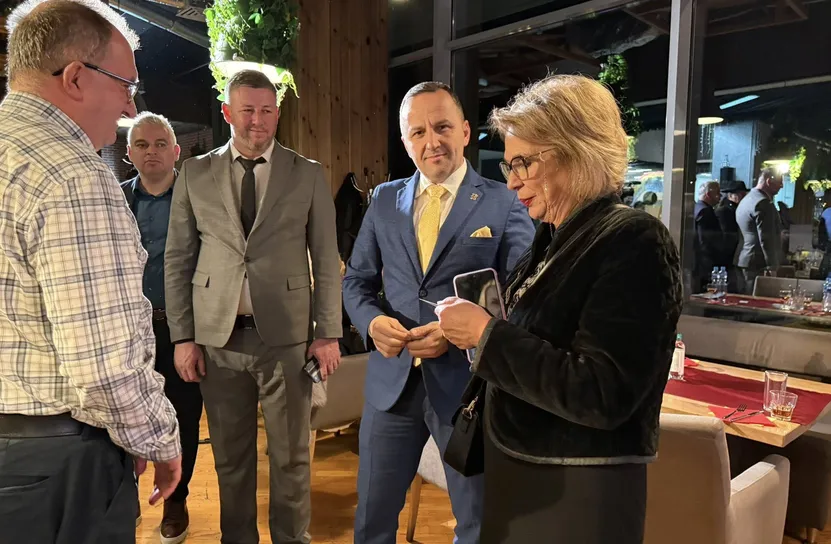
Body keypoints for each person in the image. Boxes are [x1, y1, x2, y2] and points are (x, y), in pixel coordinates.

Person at [434, 74, 683, 544]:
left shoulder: (634, 240)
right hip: (527, 474)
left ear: (577, 152)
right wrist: (481, 330)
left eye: (524, 163)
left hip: (577, 492)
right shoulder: (553, 238)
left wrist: (487, 335)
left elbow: (603, 392)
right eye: (509, 165)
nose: (512, 182)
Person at [0, 0, 182, 542]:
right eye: (126, 85)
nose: (129, 106)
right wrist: (158, 440)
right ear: (76, 77)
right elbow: (104, 366)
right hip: (52, 463)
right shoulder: (73, 174)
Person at [343, 81, 535, 544]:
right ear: (405, 141)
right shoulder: (383, 200)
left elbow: (524, 296)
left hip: (467, 390)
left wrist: (455, 333)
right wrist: (371, 322)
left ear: (465, 131)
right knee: (371, 522)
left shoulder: (504, 201)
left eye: (442, 127)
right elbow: (357, 282)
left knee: (477, 524)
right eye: (418, 132)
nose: (432, 141)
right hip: (391, 387)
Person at [164, 69, 342, 544]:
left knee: (292, 457)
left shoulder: (307, 173)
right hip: (217, 339)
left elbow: (326, 258)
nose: (257, 120)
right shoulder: (195, 174)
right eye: (247, 110)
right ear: (228, 112)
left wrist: (327, 332)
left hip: (287, 339)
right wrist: (183, 337)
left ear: (277, 114)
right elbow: (178, 259)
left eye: (266, 111)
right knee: (230, 458)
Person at [122, 112, 203, 542]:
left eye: (159, 144)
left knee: (183, 415)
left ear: (176, 151)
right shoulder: (114, 201)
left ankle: (176, 499)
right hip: (129, 332)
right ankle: (126, 499)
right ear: (129, 153)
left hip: (182, 329)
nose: (150, 151)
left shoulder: (197, 199)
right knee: (125, 416)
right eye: (141, 144)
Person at [736, 167, 785, 292]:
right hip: (758, 262)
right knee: (757, 299)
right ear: (768, 181)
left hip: (745, 258)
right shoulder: (763, 203)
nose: (782, 186)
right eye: (780, 182)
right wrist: (772, 265)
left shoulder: (746, 200)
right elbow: (766, 238)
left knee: (747, 297)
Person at [715, 179, 748, 292]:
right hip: (728, 256)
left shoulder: (736, 209)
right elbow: (727, 236)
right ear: (731, 195)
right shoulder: (725, 211)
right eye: (740, 194)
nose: (743, 197)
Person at [693, 181, 724, 292]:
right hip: (705, 261)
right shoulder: (705, 211)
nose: (720, 196)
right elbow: (704, 239)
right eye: (718, 193)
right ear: (708, 194)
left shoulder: (697, 208)